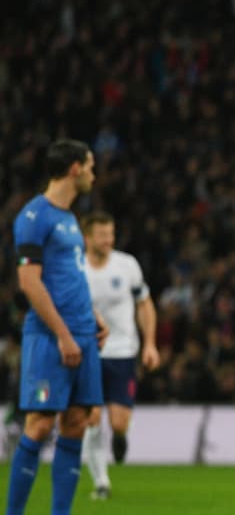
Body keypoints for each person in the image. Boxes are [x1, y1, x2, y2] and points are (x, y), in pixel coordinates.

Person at [2, 140, 106, 515]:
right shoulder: (34, 216)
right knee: (40, 423)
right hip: (50, 338)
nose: (94, 174)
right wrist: (63, 334)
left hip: (82, 333)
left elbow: (70, 277)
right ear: (75, 168)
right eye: (91, 166)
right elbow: (29, 283)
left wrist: (92, 317)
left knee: (76, 421)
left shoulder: (69, 219)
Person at [81, 212, 161, 499]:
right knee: (91, 419)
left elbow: (145, 304)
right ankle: (102, 483)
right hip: (89, 352)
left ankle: (120, 435)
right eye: (102, 235)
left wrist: (150, 344)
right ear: (87, 238)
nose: (108, 240)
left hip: (123, 351)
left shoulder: (126, 265)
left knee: (118, 421)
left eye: (111, 234)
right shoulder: (77, 268)